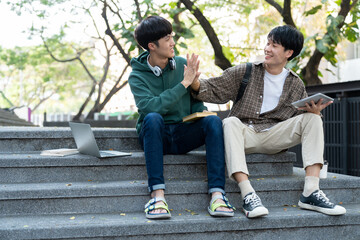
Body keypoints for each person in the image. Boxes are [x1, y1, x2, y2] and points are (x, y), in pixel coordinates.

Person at [190, 25, 346, 218]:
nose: (267, 48)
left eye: (274, 45)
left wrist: (314, 113)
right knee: (229, 123)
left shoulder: (295, 83)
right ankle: (248, 195)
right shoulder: (246, 72)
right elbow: (212, 89)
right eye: (267, 43)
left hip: (274, 136)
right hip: (243, 135)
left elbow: (300, 123)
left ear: (288, 53)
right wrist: (194, 81)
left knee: (313, 119)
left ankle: (311, 192)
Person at [128, 16, 234, 219]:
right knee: (152, 118)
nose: (172, 42)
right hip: (155, 136)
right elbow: (151, 107)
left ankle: (218, 195)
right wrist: (184, 84)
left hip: (182, 134)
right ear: (152, 45)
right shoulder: (137, 76)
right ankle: (157, 196)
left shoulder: (181, 65)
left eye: (171, 37)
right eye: (167, 38)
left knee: (212, 120)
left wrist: (196, 97)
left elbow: (195, 101)